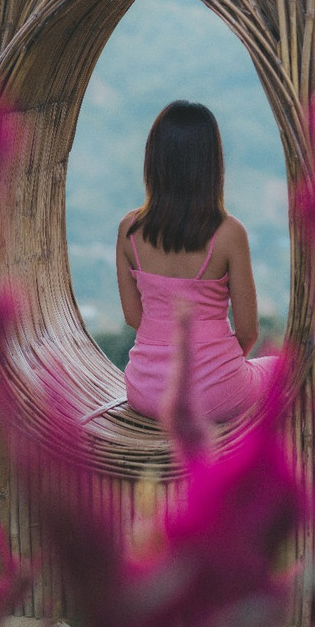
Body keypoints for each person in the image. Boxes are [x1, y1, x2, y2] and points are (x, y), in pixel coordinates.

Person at [116, 100, 278, 422]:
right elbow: (248, 331)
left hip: (146, 393)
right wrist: (217, 372)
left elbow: (135, 317)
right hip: (214, 396)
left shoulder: (129, 230)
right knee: (280, 366)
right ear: (212, 164)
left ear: (154, 160)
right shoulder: (230, 233)